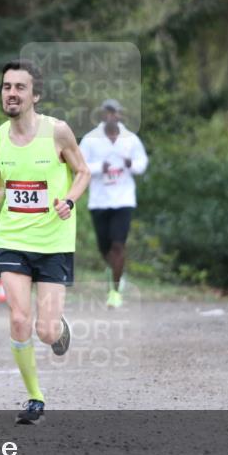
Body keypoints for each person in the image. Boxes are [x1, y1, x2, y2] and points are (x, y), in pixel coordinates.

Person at [0, 59, 91, 424]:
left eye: (19, 87)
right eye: (6, 87)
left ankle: (58, 328)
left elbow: (83, 172)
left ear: (35, 95)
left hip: (54, 242)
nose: (11, 93)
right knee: (19, 319)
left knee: (46, 330)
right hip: (11, 237)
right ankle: (35, 398)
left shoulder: (57, 132)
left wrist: (69, 200)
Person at [78, 99, 148, 308]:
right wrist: (101, 167)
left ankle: (115, 292)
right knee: (105, 248)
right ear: (101, 115)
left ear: (120, 115)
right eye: (107, 113)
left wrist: (131, 164)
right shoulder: (91, 140)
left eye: (114, 113)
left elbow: (142, 163)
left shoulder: (130, 139)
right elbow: (80, 165)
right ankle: (118, 272)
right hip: (99, 200)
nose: (111, 117)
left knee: (118, 245)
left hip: (123, 199)